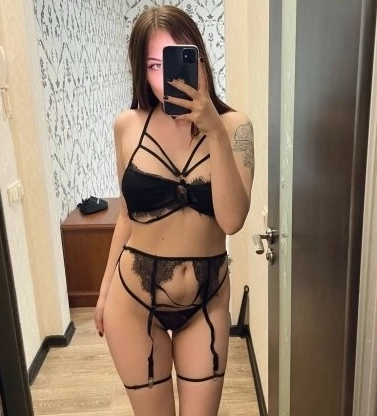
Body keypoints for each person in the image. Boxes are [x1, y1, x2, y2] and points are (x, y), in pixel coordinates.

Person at [94, 5, 254, 416]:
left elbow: (232, 220)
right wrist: (104, 290)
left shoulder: (236, 127)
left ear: (199, 59)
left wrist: (213, 128)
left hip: (207, 299)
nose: (167, 76)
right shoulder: (127, 125)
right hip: (133, 299)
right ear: (141, 70)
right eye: (154, 65)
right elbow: (128, 216)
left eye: (178, 57)